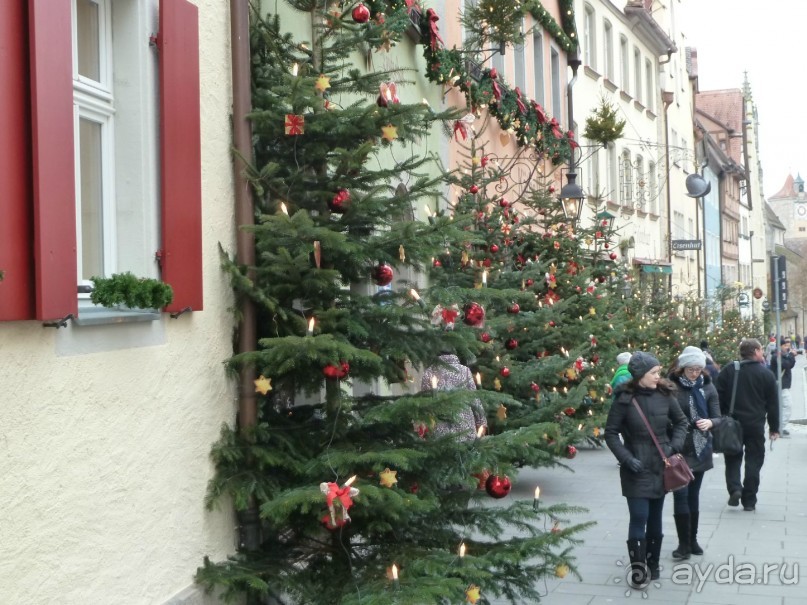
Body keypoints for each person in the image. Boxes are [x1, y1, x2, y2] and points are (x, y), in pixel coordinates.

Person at [605, 352, 688, 587]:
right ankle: (638, 570)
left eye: (658, 372)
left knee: (655, 518)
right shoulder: (624, 398)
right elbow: (611, 433)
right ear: (640, 375)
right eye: (653, 373)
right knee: (639, 516)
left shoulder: (665, 395)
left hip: (660, 466)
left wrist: (673, 447)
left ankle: (653, 564)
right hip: (636, 467)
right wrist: (626, 458)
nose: (658, 376)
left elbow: (681, 423)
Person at [667, 346, 722, 560]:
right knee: (681, 494)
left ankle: (693, 540)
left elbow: (718, 416)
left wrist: (710, 422)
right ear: (682, 368)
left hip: (700, 447)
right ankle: (683, 544)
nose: (694, 373)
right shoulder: (671, 387)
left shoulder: (707, 386)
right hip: (679, 447)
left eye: (698, 369)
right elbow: (665, 416)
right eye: (690, 369)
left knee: (693, 495)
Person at [714, 339, 779, 511]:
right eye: (761, 349)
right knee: (754, 461)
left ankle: (735, 488)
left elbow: (718, 396)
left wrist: (722, 417)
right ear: (756, 351)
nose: (762, 352)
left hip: (732, 424)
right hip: (755, 425)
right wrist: (774, 428)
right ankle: (749, 499)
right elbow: (773, 405)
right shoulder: (766, 374)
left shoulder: (729, 370)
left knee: (733, 458)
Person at [420, 352, 487, 442]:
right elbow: (474, 398)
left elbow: (425, 402)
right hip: (465, 428)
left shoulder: (429, 372)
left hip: (440, 430)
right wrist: (481, 422)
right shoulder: (465, 371)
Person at [768, 336, 799, 437]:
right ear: (780, 346)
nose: (787, 347)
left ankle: (780, 427)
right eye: (785, 345)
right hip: (781, 385)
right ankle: (780, 427)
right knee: (787, 405)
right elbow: (787, 364)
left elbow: (790, 364)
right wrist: (792, 355)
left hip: (783, 385)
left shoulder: (781, 355)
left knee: (782, 407)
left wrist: (791, 356)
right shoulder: (777, 356)